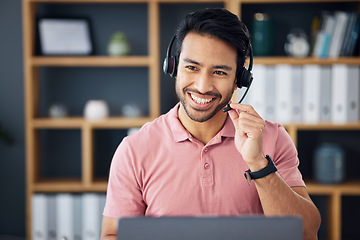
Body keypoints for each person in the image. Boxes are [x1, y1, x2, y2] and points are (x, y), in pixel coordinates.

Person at [101, 8, 321, 240]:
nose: (203, 86)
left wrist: (258, 164)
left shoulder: (272, 138)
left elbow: (306, 233)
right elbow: (113, 235)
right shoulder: (135, 149)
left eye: (218, 72)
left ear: (239, 80)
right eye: (192, 67)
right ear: (173, 67)